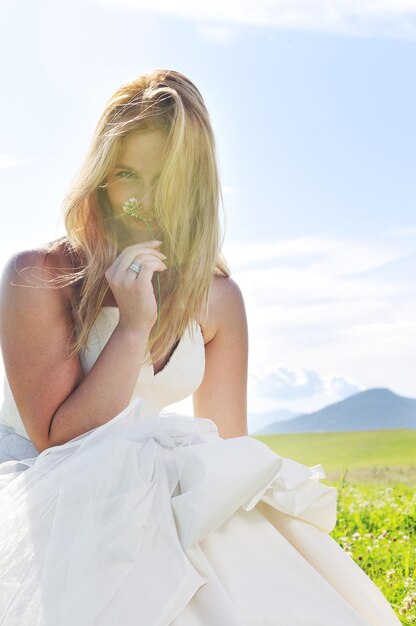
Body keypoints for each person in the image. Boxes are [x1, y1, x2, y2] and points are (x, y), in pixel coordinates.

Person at [0, 69, 400, 625]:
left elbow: (228, 451)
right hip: (44, 495)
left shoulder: (217, 298)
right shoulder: (39, 274)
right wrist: (133, 327)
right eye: (125, 174)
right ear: (99, 177)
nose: (141, 200)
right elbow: (56, 441)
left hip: (142, 494)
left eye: (164, 179)